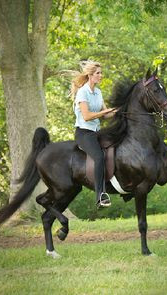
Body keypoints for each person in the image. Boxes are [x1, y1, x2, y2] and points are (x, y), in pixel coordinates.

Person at [71, 60, 115, 209]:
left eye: (101, 73)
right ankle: (100, 196)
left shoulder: (98, 92)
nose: (101, 76)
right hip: (84, 134)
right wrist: (104, 112)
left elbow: (106, 115)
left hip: (96, 132)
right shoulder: (83, 92)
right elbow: (87, 116)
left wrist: (119, 111)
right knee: (99, 156)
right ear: (90, 75)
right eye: (98, 73)